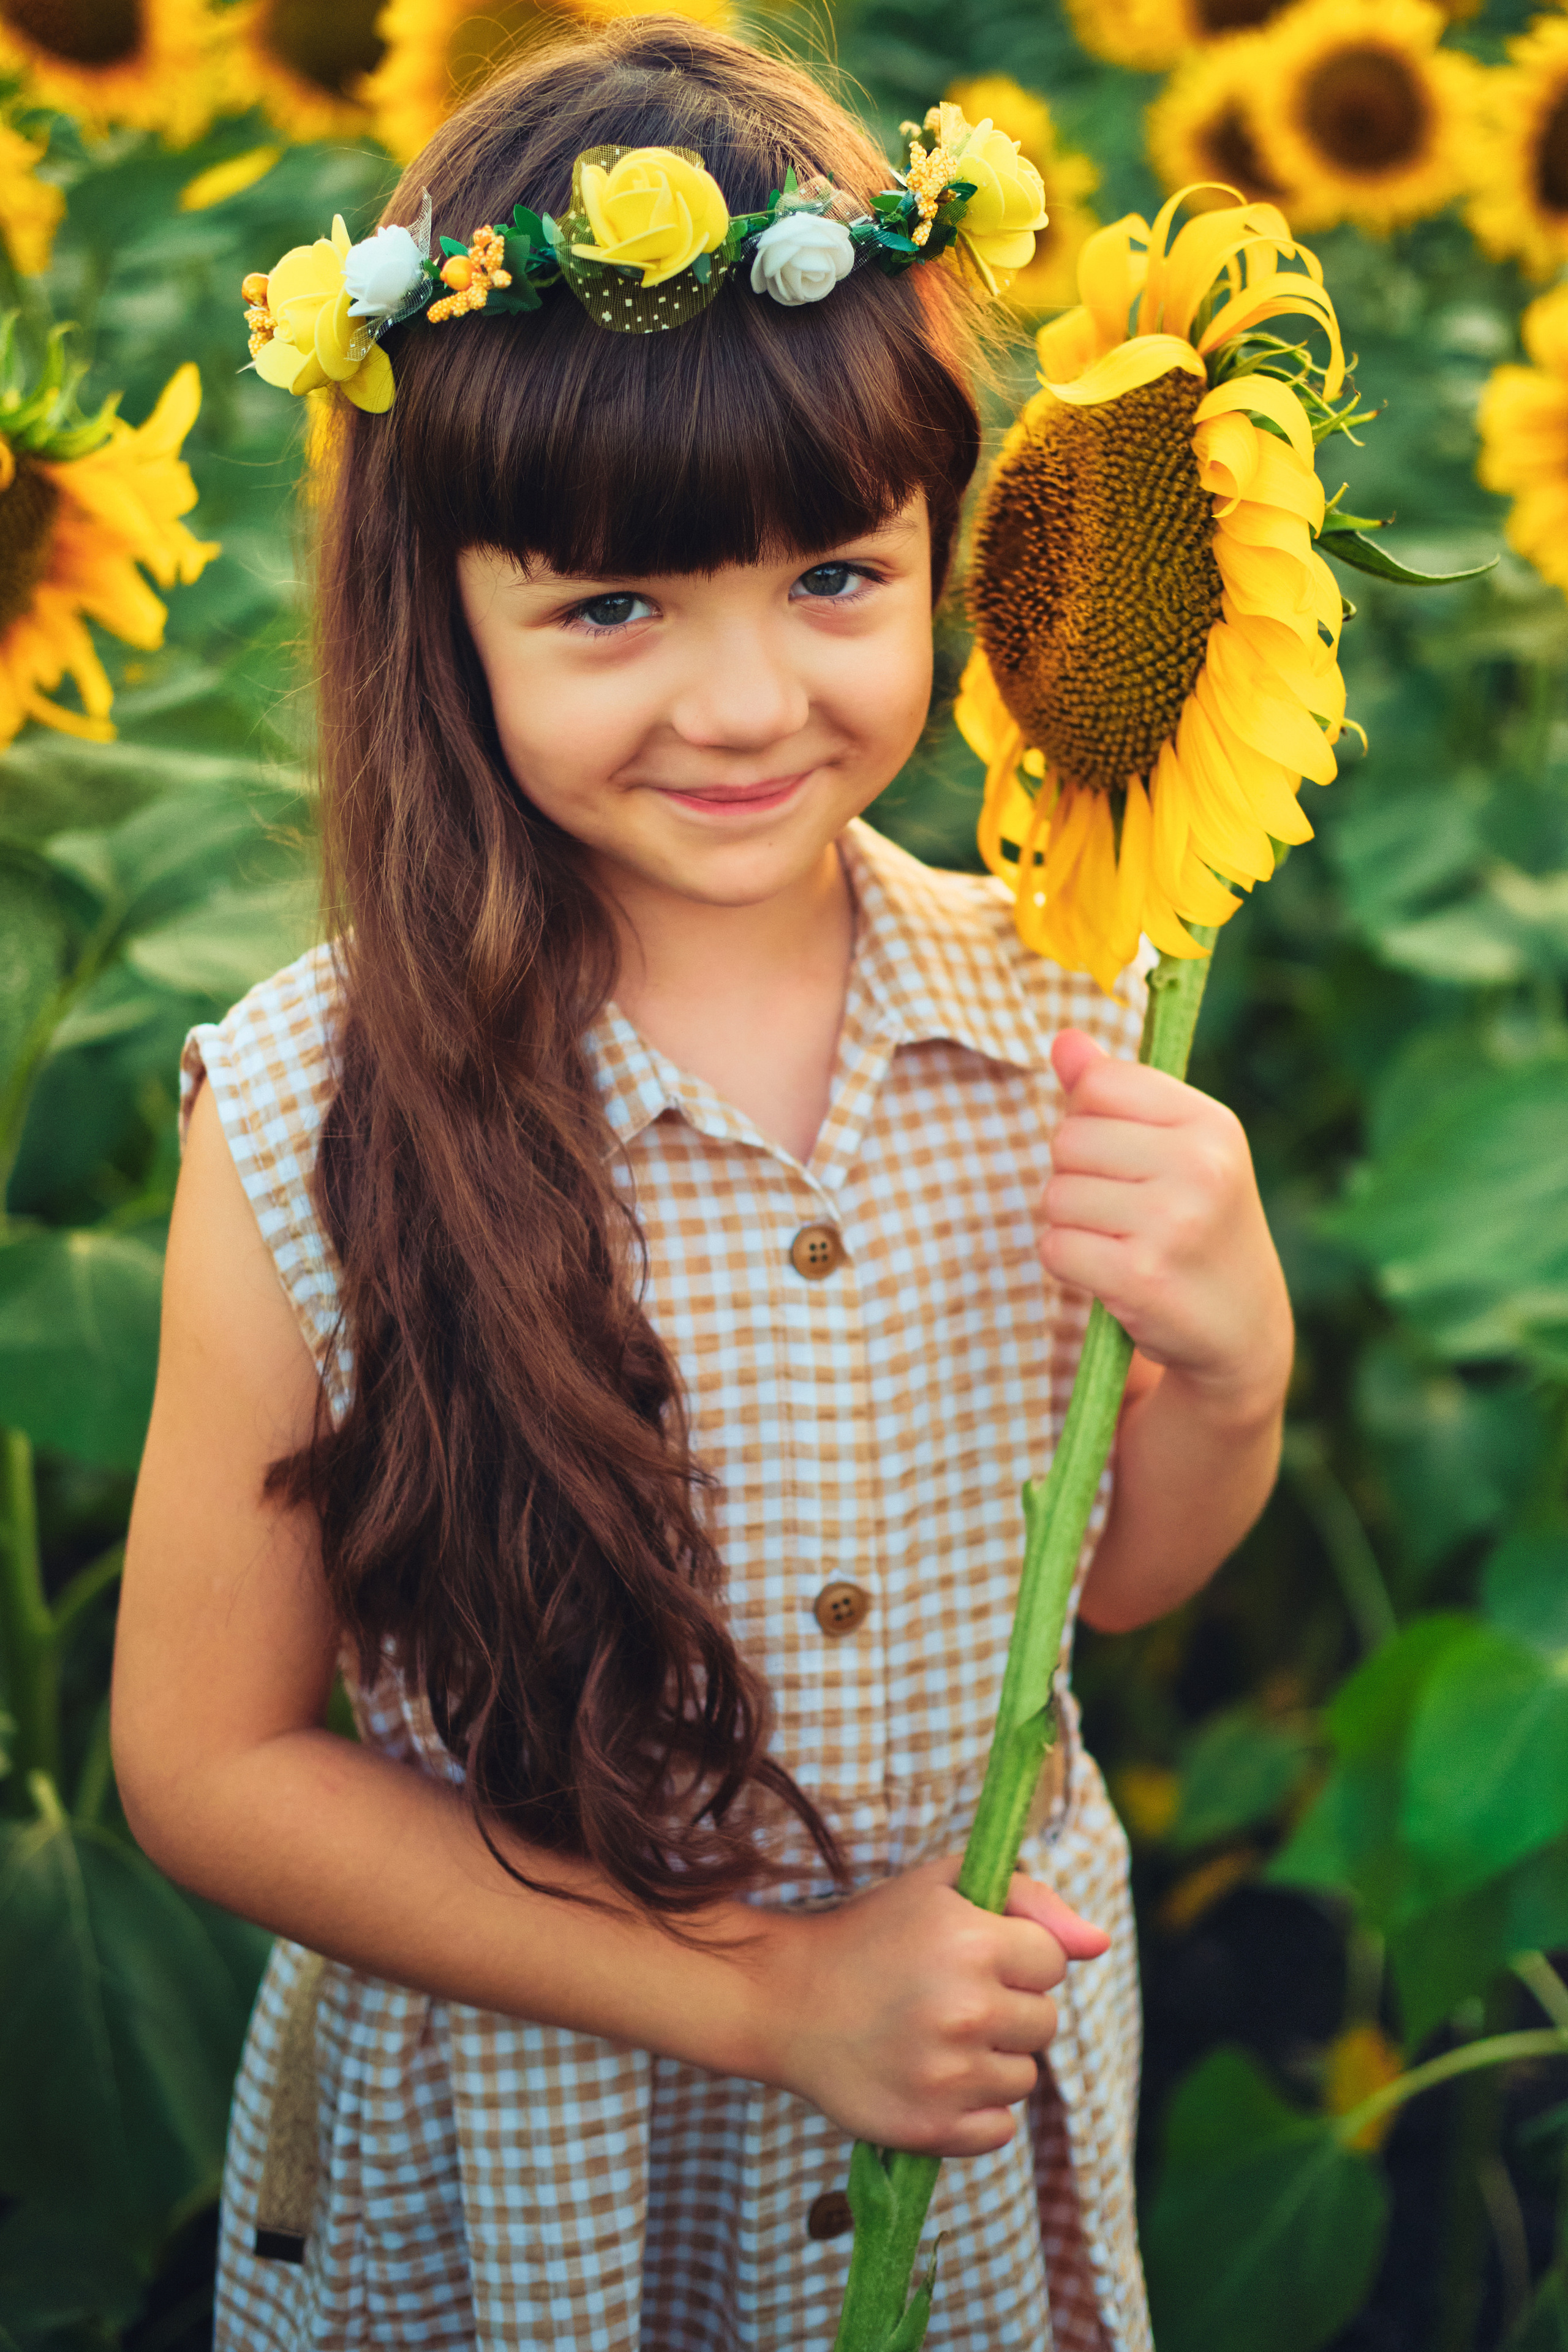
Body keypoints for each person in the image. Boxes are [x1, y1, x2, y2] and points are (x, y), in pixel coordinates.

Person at [111, 21, 1294, 2351]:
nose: (750, 704)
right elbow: (207, 1765)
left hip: (954, 2129)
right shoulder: (307, 1110)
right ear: (440, 608)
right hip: (536, 2137)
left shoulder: (1068, 1012)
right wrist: (758, 1995)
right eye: (615, 610)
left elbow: (1110, 1595)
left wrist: (1232, 1372)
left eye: (838, 580)